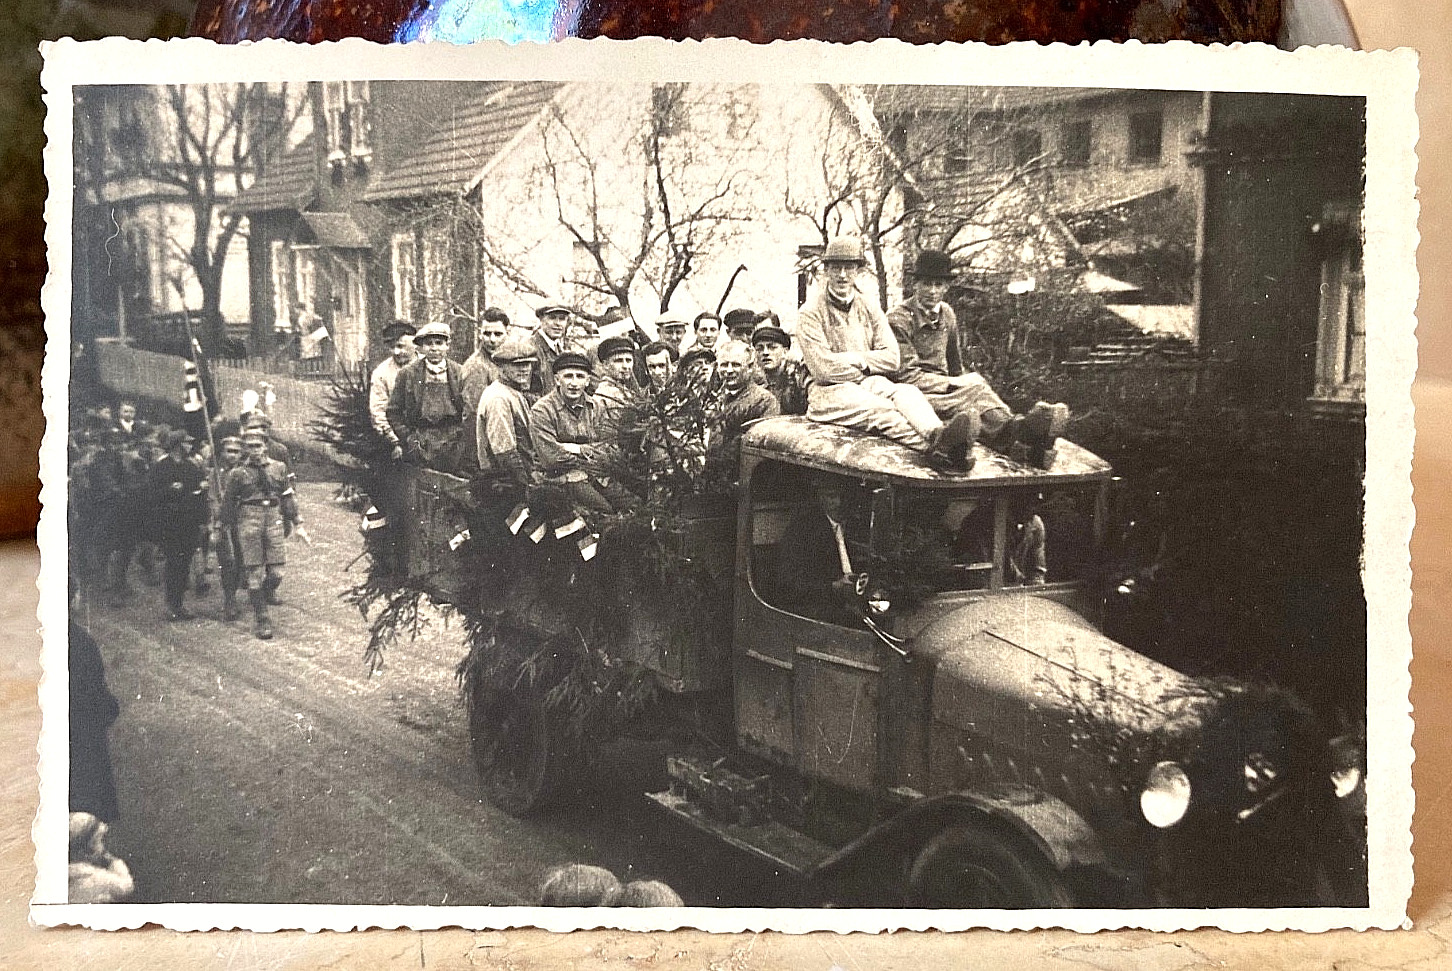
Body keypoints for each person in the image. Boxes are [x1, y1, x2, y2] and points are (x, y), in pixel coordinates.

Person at [796, 236, 975, 471]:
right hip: (827, 392)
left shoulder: (869, 306)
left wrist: (856, 359)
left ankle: (939, 435)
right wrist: (868, 360)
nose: (842, 275)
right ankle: (937, 451)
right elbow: (824, 370)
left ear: (858, 271)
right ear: (826, 270)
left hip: (867, 380)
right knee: (881, 410)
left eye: (849, 267)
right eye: (836, 267)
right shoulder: (810, 312)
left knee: (907, 392)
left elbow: (892, 359)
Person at [888, 250, 1069, 467]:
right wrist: (955, 384)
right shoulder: (899, 319)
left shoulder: (947, 313)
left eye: (939, 284)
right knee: (972, 393)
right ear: (915, 284)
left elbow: (955, 364)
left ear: (946, 287)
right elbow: (905, 376)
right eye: (927, 284)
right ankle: (1018, 434)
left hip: (946, 388)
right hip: (916, 394)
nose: (932, 291)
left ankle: (1023, 435)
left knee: (977, 390)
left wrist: (962, 381)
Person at [530, 352, 641, 515]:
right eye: (568, 376)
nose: (574, 383)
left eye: (580, 377)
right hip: (559, 479)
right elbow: (551, 458)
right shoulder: (542, 410)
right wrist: (591, 453)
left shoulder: (597, 407)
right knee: (604, 511)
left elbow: (611, 448)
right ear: (556, 379)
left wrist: (576, 449)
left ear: (588, 380)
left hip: (595, 475)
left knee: (635, 505)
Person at [223, 428, 300, 639]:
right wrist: (223, 529)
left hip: (273, 517)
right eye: (249, 446)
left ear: (266, 445)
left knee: (277, 572)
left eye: (257, 445)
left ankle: (264, 594)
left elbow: (287, 496)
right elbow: (228, 503)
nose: (254, 450)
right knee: (254, 575)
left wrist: (297, 523)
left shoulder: (279, 468)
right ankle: (262, 619)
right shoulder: (238, 473)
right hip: (250, 519)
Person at [386, 321, 467, 474]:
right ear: (422, 347)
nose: (434, 348)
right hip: (422, 444)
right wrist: (409, 439)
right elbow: (393, 412)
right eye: (429, 343)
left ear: (447, 346)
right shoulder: (408, 374)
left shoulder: (460, 372)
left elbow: (468, 410)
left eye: (439, 343)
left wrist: (461, 439)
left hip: (453, 445)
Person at [149, 429, 209, 621]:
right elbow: (152, 494)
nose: (190, 446)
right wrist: (169, 490)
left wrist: (201, 491)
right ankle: (171, 604)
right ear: (177, 444)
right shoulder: (161, 467)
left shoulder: (191, 467)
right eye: (186, 442)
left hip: (188, 522)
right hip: (169, 522)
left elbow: (199, 494)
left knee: (184, 564)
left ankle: (179, 603)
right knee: (173, 562)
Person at [475, 334, 540, 494]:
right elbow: (505, 452)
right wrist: (527, 487)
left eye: (527, 364)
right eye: (516, 365)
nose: (524, 369)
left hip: (516, 475)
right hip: (505, 482)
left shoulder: (513, 391)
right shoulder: (499, 398)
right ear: (501, 367)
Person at [460, 308, 509, 472]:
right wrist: (481, 459)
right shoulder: (476, 367)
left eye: (498, 334)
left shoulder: (507, 361)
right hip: (489, 449)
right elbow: (474, 415)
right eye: (487, 334)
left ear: (507, 333)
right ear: (480, 334)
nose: (492, 340)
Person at [713, 340, 779, 449]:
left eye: (736, 365)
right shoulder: (712, 398)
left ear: (750, 367)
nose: (729, 370)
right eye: (724, 365)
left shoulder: (764, 401)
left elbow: (764, 444)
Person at [211, 435, 246, 621]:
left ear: (241, 454)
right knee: (227, 561)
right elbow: (212, 498)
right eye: (229, 451)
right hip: (224, 523)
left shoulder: (246, 472)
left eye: (236, 452)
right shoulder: (216, 473)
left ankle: (243, 585)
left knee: (243, 560)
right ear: (222, 452)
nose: (232, 455)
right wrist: (219, 516)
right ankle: (230, 599)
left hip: (243, 522)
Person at [370, 321, 417, 459]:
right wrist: (395, 442)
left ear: (414, 344)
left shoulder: (428, 366)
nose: (396, 352)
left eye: (400, 346)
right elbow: (378, 411)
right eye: (392, 347)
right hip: (396, 440)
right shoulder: (381, 373)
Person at [593, 335, 647, 443]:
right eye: (618, 361)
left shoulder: (627, 390)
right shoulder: (604, 395)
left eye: (628, 360)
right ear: (605, 365)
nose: (625, 366)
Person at [751, 323, 811, 415]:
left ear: (785, 352)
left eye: (772, 347)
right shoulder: (753, 379)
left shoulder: (799, 376)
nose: (765, 353)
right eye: (760, 349)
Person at [532, 299, 573, 393]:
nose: (558, 323)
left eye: (562, 319)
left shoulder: (560, 350)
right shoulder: (531, 349)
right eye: (552, 318)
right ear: (541, 320)